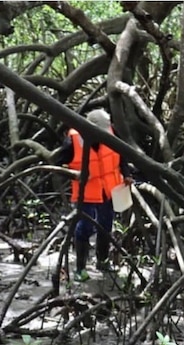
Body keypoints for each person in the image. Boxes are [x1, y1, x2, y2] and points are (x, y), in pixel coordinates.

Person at [56, 108, 133, 282]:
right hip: (87, 193)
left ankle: (102, 261)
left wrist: (126, 173)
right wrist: (73, 173)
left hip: (108, 190)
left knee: (106, 224)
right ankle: (80, 268)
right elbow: (58, 163)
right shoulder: (73, 139)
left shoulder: (112, 131)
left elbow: (121, 156)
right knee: (84, 228)